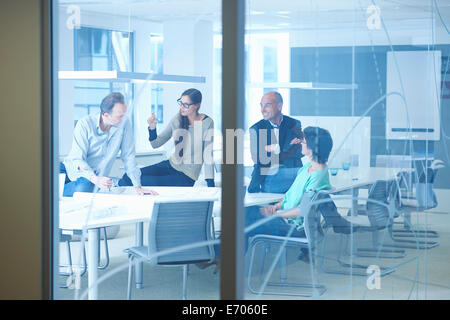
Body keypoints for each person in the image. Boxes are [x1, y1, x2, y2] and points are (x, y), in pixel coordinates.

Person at [201, 126, 333, 273]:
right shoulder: (307, 168)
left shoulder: (318, 176)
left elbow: (304, 210)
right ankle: (221, 256)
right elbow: (291, 195)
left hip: (295, 228)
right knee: (243, 212)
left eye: (304, 141)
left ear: (313, 146)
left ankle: (216, 255)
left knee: (245, 217)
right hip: (284, 218)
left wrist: (276, 214)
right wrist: (276, 206)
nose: (301, 142)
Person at [61, 92, 156, 197]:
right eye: (120, 116)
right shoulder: (84, 124)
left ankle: (58, 189)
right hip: (72, 169)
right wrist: (95, 179)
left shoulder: (124, 123)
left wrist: (138, 187)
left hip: (89, 180)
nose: (123, 118)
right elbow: (77, 159)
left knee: (85, 188)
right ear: (106, 115)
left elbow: (128, 156)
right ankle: (56, 189)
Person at [119, 88, 215, 187]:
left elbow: (208, 156)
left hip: (185, 177)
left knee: (133, 181)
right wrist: (152, 128)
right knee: (129, 176)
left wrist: (210, 184)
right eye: (181, 103)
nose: (181, 107)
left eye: (186, 105)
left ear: (197, 105)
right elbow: (155, 144)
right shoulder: (178, 119)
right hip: (170, 165)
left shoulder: (207, 123)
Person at [247, 91, 304, 193]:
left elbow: (300, 151)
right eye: (261, 105)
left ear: (279, 106)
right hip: (270, 181)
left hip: (294, 178)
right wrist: (288, 147)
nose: (262, 110)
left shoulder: (294, 124)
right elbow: (258, 158)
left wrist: (274, 149)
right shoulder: (256, 129)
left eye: (267, 105)